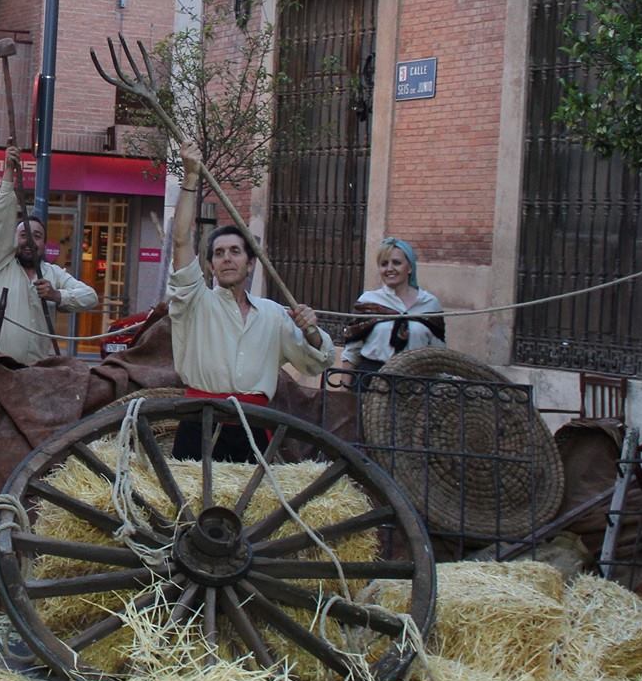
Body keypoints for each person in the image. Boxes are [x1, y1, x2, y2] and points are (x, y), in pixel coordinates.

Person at [164, 149, 332, 461]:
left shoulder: (273, 314)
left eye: (235, 251)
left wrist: (312, 333)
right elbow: (181, 240)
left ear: (251, 263)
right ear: (211, 266)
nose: (226, 258)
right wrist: (190, 178)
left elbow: (314, 363)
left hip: (252, 429)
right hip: (199, 424)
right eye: (218, 253)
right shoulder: (194, 304)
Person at [0, 148, 98, 364]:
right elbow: (0, 222)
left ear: (44, 243)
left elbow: (90, 297)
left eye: (37, 236)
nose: (31, 242)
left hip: (35, 373)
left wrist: (57, 296)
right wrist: (8, 173)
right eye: (24, 235)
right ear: (14, 240)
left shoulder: (52, 273)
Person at [341, 237, 445, 382]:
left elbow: (438, 354)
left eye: (396, 263)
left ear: (409, 267)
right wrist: (343, 391)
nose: (389, 269)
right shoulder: (368, 302)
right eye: (384, 264)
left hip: (416, 386)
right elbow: (352, 352)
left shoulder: (429, 304)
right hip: (371, 383)